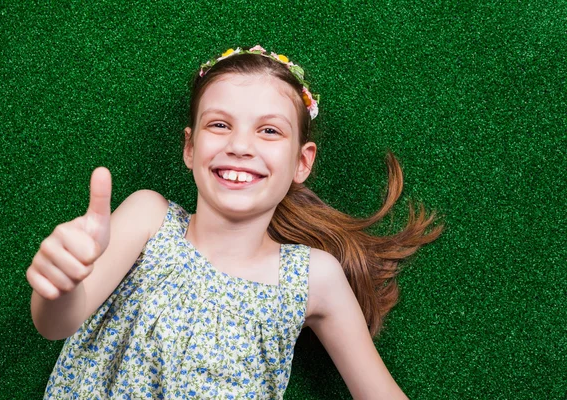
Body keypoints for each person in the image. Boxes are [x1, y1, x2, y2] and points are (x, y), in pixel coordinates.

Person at [27, 45, 443, 399]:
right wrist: (59, 286)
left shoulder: (314, 277)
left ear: (302, 161)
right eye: (220, 125)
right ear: (190, 147)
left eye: (269, 131)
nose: (240, 146)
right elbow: (56, 323)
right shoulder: (147, 217)